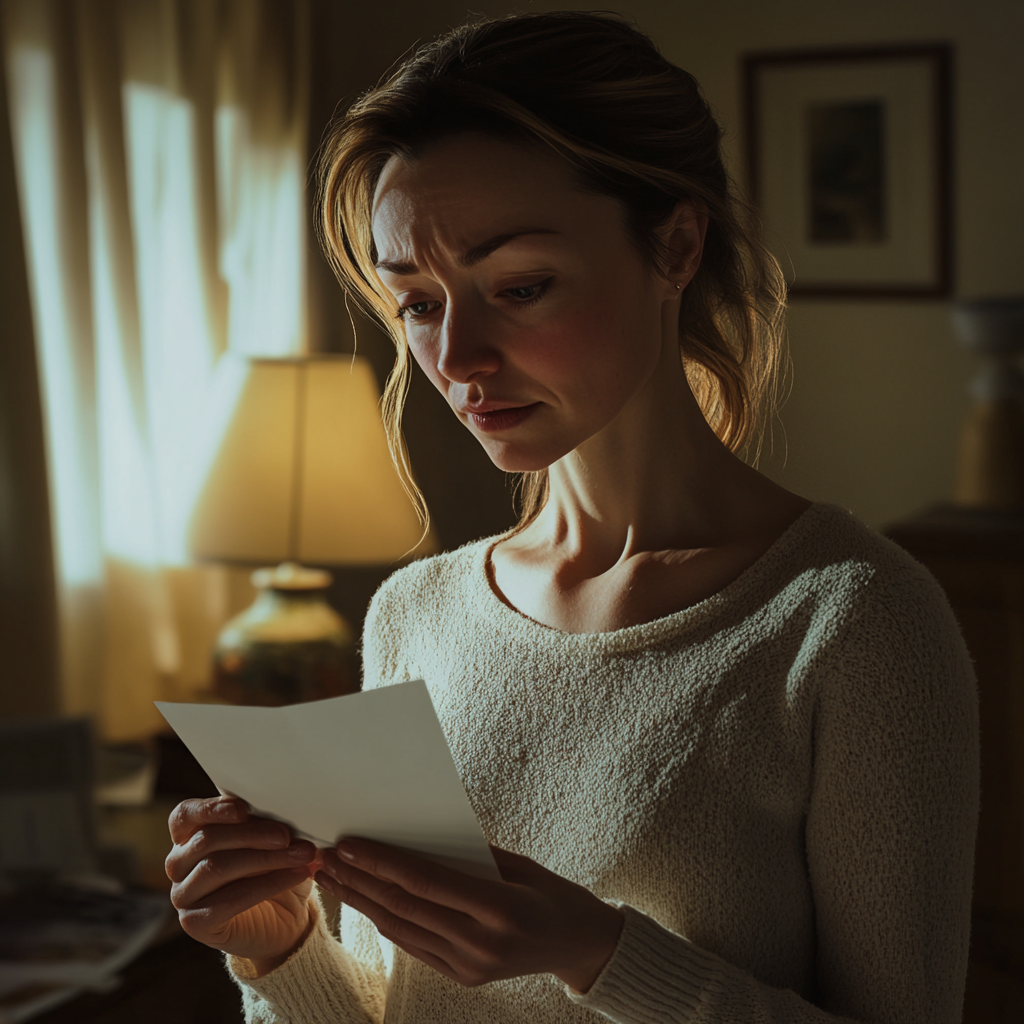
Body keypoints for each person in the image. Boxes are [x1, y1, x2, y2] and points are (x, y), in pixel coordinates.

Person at [165, 12, 978, 1023]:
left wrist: (598, 951)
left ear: (675, 245)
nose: (456, 357)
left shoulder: (852, 622)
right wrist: (281, 951)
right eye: (416, 300)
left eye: (522, 285)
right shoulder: (414, 614)